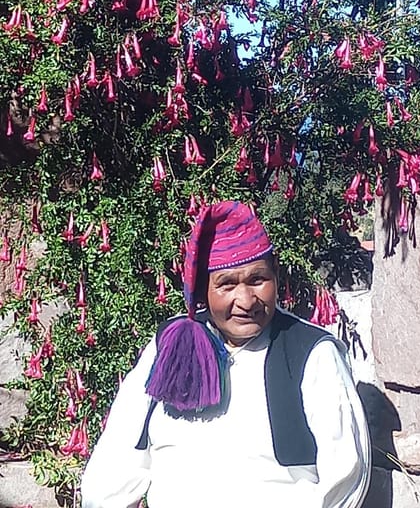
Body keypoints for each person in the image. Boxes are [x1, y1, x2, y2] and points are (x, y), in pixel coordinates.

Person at [81, 200, 371, 508]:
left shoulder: (311, 354)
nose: (246, 300)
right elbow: (121, 453)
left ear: (276, 275)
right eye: (227, 285)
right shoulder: (170, 345)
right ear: (201, 289)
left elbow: (345, 475)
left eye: (258, 280)